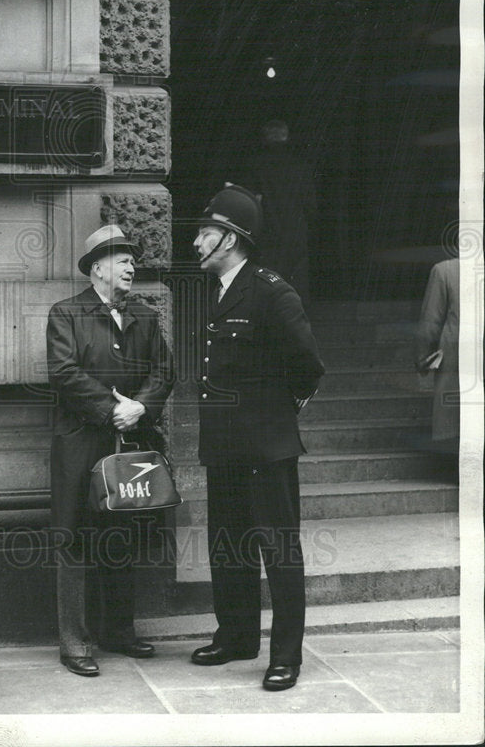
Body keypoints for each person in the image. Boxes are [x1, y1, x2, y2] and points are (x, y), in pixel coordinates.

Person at [189, 184, 325, 691]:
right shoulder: (220, 291)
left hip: (266, 447)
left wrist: (276, 412)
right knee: (228, 546)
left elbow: (307, 364)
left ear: (228, 238)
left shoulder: (271, 290)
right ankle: (236, 636)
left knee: (279, 551)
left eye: (205, 233)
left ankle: (285, 655)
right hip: (224, 446)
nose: (196, 242)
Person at [46, 224, 175, 677]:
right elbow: (64, 373)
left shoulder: (144, 316)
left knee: (121, 534)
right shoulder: (66, 314)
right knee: (74, 537)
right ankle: (75, 642)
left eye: (133, 261)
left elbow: (164, 370)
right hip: (81, 446)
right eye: (123, 260)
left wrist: (141, 407)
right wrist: (111, 410)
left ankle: (119, 631)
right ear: (98, 268)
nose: (132, 267)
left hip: (129, 443)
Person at [240, 120, 317, 305]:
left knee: (268, 280)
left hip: (267, 230)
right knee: (297, 281)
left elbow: (251, 202)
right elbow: (310, 205)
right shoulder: (300, 166)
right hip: (295, 230)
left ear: (265, 138)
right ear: (286, 137)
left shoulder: (255, 165)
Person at [415, 257, 460, 450]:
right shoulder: (444, 271)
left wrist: (423, 359)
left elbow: (431, 322)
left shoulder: (446, 271)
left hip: (457, 359)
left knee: (458, 423)